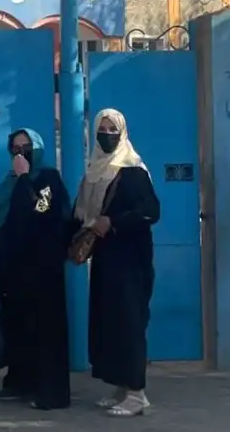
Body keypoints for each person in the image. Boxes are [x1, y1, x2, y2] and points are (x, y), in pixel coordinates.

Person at [70, 108, 160, 417]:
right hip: (106, 260)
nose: (106, 135)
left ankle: (137, 394)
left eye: (112, 130)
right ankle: (122, 387)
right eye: (102, 129)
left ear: (122, 134)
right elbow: (81, 213)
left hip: (131, 262)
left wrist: (114, 222)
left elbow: (151, 211)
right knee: (111, 324)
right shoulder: (94, 171)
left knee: (130, 323)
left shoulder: (132, 170)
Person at [0, 128, 71, 410]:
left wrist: (25, 177)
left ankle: (49, 392)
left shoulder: (48, 177)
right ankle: (21, 382)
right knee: (19, 325)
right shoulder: (9, 181)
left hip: (42, 267)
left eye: (26, 147)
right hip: (14, 268)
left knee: (45, 329)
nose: (20, 153)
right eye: (15, 148)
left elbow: (41, 208)